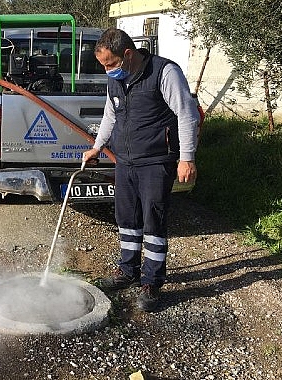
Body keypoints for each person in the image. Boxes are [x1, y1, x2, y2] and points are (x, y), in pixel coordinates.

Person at [82, 28, 200, 312]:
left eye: (111, 64)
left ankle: (151, 281)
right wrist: (98, 147)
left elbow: (187, 115)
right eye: (103, 66)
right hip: (126, 161)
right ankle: (128, 270)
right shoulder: (115, 81)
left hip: (156, 160)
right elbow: (110, 116)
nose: (108, 70)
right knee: (127, 217)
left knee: (153, 220)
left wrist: (187, 158)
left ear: (128, 54)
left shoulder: (164, 73)